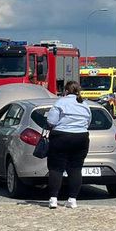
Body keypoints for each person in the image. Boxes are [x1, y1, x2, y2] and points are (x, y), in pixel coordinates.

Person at [45, 80, 92, 209]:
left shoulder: (60, 102)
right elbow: (88, 122)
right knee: (76, 169)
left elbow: (51, 121)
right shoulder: (85, 105)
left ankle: (53, 199)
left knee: (56, 168)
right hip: (81, 137)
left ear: (65, 91)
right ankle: (72, 199)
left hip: (61, 137)